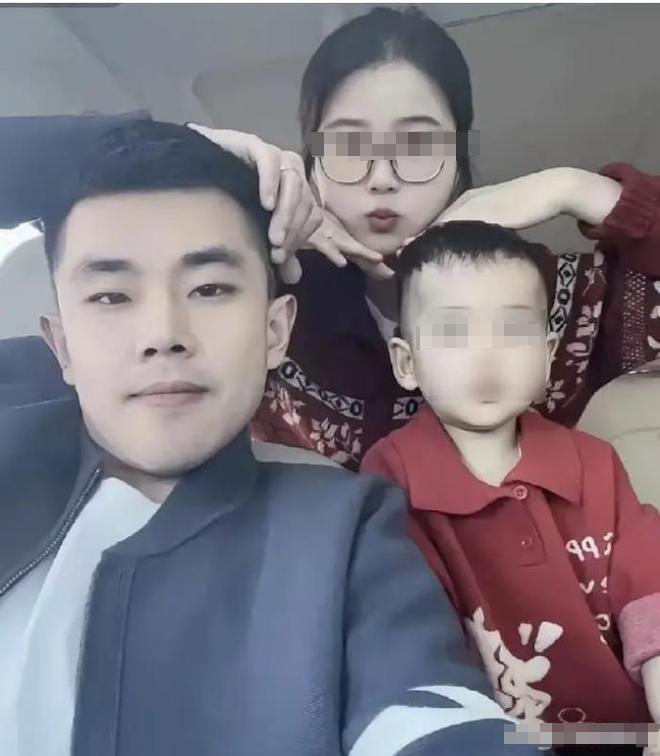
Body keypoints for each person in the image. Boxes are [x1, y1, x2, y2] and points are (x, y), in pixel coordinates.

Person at [0, 119, 531, 756]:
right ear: (60, 345)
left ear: (276, 332)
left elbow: (433, 716)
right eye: (112, 296)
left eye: (210, 288)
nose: (163, 333)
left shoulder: (342, 531)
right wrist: (141, 134)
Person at [194, 6, 660, 470]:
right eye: (348, 145)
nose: (381, 178)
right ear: (309, 161)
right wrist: (229, 179)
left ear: (459, 158)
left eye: (418, 145)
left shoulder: (548, 293)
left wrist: (574, 189)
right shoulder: (271, 302)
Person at [361, 220, 660, 755]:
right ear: (407, 362)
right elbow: (404, 645)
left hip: (624, 736)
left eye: (514, 329)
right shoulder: (391, 478)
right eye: (454, 331)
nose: (487, 354)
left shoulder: (593, 462)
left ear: (547, 355)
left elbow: (650, 597)